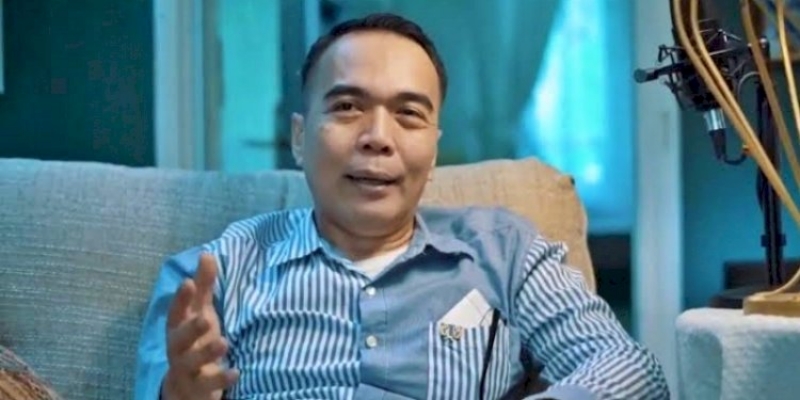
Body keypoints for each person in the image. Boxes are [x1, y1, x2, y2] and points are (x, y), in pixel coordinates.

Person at [134, 12, 670, 400]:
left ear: (433, 149)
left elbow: (631, 372)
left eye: (409, 114)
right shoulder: (213, 273)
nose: (378, 137)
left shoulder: (505, 252)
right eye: (348, 106)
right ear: (300, 138)